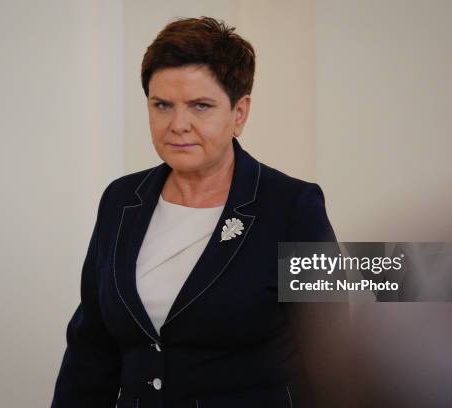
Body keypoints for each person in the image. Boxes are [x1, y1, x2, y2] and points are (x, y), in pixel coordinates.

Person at [51, 16, 343, 408]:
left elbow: (331, 357)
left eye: (200, 106)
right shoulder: (121, 201)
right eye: (162, 105)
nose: (178, 124)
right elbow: (90, 350)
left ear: (239, 113)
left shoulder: (292, 207)